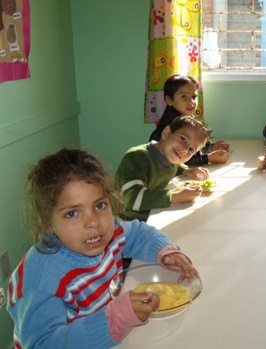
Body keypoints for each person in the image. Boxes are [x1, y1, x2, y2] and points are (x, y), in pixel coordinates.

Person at [7, 148, 198, 348]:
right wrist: (115, 319)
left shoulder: (109, 232)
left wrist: (167, 251)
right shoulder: (41, 277)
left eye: (99, 206)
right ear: (47, 222)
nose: (93, 222)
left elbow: (139, 233)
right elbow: (43, 344)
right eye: (72, 213)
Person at [116, 116, 213, 222]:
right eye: (183, 139)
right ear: (167, 133)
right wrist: (176, 196)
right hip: (127, 222)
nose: (184, 149)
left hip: (152, 215)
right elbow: (132, 199)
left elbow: (173, 167)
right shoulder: (136, 157)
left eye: (191, 149)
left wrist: (187, 170)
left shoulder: (169, 158)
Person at [148, 74, 230, 165]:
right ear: (169, 100)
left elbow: (194, 141)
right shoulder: (172, 123)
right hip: (160, 171)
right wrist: (208, 158)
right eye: (184, 96)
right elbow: (179, 157)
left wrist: (211, 147)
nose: (191, 101)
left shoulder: (187, 117)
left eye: (194, 97)